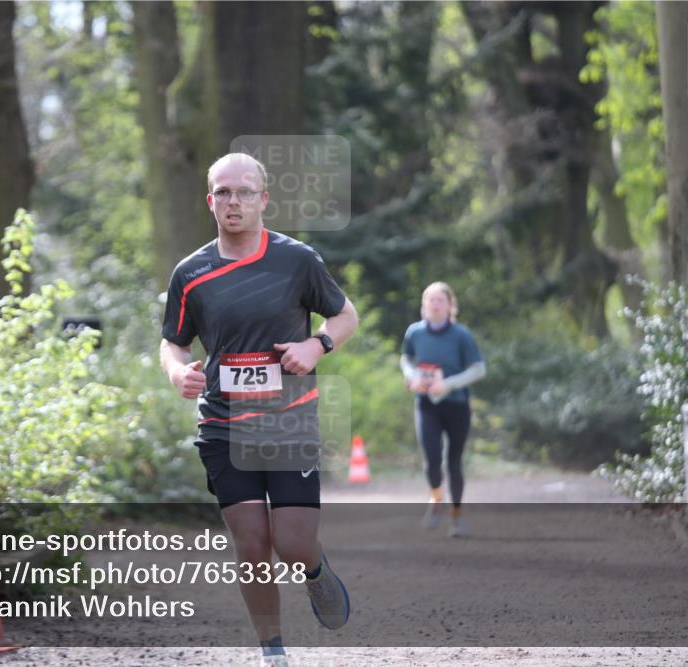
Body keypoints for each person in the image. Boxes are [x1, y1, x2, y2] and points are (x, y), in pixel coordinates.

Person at [160, 153, 359, 667]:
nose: (234, 201)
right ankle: (273, 651)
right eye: (223, 192)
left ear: (263, 199)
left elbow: (344, 315)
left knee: (291, 544)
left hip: (287, 420)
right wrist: (179, 372)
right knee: (252, 546)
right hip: (223, 425)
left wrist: (317, 346)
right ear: (210, 201)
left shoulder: (297, 260)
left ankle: (315, 573)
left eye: (244, 191)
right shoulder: (192, 273)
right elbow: (172, 343)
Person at [401, 282, 485, 537]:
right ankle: (436, 498)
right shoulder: (414, 333)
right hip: (426, 405)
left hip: (457, 405)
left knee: (454, 462)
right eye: (430, 300)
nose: (435, 305)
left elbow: (479, 369)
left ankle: (456, 517)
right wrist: (411, 375)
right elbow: (406, 358)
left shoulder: (462, 335)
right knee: (432, 460)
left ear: (450, 306)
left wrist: (447, 385)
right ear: (423, 305)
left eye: (440, 300)